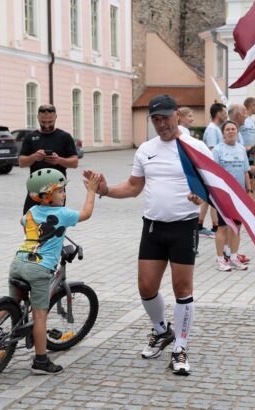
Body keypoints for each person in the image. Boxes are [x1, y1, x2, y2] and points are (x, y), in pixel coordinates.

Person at [86, 94, 212, 376]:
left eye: (165, 117)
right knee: (146, 288)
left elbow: (211, 186)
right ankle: (161, 331)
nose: (161, 124)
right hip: (153, 227)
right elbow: (133, 186)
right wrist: (104, 190)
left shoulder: (196, 147)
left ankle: (180, 347)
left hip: (184, 226)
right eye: (155, 119)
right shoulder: (145, 149)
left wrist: (200, 196)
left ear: (177, 115)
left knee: (182, 289)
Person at [0, 168, 99, 374]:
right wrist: (91, 190)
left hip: (18, 263)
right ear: (46, 196)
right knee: (40, 316)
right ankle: (41, 361)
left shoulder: (31, 212)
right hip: (39, 270)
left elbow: (24, 223)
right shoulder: (62, 214)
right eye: (60, 191)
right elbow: (86, 213)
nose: (64, 194)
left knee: (13, 302)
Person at [19, 104, 79, 214]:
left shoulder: (65, 137)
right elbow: (21, 163)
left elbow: (74, 163)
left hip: (57, 191)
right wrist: (34, 157)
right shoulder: (30, 137)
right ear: (37, 117)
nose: (46, 125)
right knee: (29, 222)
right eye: (43, 122)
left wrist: (59, 160)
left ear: (56, 117)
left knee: (55, 225)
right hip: (35, 189)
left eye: (50, 122)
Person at [213, 120, 252, 271]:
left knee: (236, 227)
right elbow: (213, 174)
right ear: (223, 133)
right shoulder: (217, 150)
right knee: (223, 227)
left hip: (239, 196)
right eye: (228, 129)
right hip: (223, 195)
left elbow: (245, 171)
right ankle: (220, 260)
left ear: (237, 131)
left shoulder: (242, 149)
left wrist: (248, 191)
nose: (231, 131)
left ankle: (234, 257)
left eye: (233, 129)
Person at [199, 103, 227, 238]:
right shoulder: (212, 130)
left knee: (209, 199)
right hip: (212, 170)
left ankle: (205, 224)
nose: (226, 115)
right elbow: (212, 151)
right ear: (218, 114)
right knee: (210, 199)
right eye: (224, 112)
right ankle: (211, 226)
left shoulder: (216, 129)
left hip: (214, 170)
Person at [240, 97, 255, 198]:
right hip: (244, 152)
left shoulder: (251, 121)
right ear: (251, 105)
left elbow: (250, 139)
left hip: (252, 152)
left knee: (253, 180)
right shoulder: (242, 120)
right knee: (248, 180)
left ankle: (253, 204)